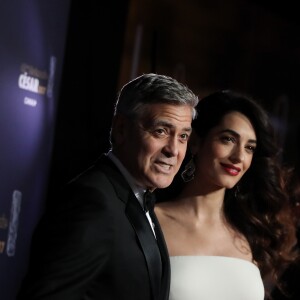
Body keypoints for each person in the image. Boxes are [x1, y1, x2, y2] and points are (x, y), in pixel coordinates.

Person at [16, 73, 199, 300]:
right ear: (121, 129)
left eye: (182, 136)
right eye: (160, 131)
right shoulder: (91, 202)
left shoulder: (137, 197)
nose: (173, 149)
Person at [155, 90, 298, 300]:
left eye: (249, 148)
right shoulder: (151, 221)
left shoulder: (251, 231)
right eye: (228, 139)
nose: (239, 156)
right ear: (196, 142)